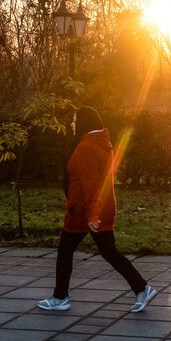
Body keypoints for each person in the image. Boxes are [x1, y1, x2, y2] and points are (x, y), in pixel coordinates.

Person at [38, 106, 157, 313]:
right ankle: (142, 288)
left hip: (86, 211)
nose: (72, 124)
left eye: (75, 120)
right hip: (101, 208)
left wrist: (92, 215)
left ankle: (60, 298)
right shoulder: (103, 144)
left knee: (65, 250)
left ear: (85, 122)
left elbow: (91, 185)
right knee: (109, 252)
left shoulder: (86, 148)